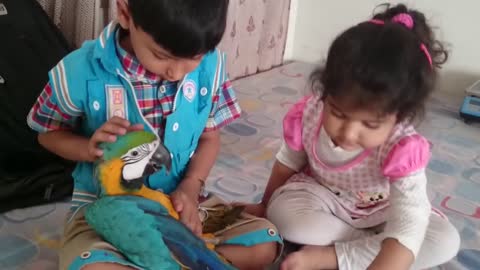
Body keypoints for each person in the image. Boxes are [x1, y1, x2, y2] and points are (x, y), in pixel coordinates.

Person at [27, 0, 281, 269]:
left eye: (195, 57)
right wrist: (88, 148)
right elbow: (47, 133)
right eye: (162, 56)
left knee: (263, 246)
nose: (177, 72)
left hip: (181, 207)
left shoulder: (211, 67)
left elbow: (210, 138)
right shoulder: (78, 71)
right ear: (125, 13)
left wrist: (191, 186)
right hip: (103, 209)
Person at [246, 4, 460, 270]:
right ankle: (373, 246)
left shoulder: (402, 146)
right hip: (321, 197)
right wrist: (264, 205)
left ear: (400, 116)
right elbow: (286, 162)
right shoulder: (310, 113)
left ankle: (335, 256)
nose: (347, 133)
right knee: (285, 216)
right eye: (337, 112)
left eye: (370, 124)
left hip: (381, 209)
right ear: (325, 91)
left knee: (444, 240)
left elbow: (409, 223)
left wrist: (391, 250)